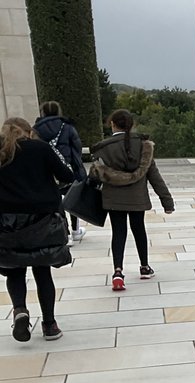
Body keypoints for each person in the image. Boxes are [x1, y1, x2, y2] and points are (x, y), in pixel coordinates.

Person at [0, 117, 74, 342]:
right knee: (42, 271)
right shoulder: (40, 148)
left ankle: (20, 310)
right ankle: (49, 324)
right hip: (42, 221)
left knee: (14, 270)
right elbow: (67, 176)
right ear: (28, 132)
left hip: (7, 222)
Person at [90, 110, 174, 292]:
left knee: (118, 232)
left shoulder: (103, 147)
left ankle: (118, 272)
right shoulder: (143, 146)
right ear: (132, 124)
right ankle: (144, 266)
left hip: (113, 198)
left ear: (112, 124)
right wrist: (167, 202)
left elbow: (94, 176)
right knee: (139, 229)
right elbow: (154, 176)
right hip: (137, 198)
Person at [33, 101, 87, 243]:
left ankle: (65, 232)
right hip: (68, 167)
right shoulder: (67, 127)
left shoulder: (36, 130)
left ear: (43, 112)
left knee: (56, 201)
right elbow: (77, 147)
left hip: (46, 171)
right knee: (72, 199)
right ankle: (75, 230)